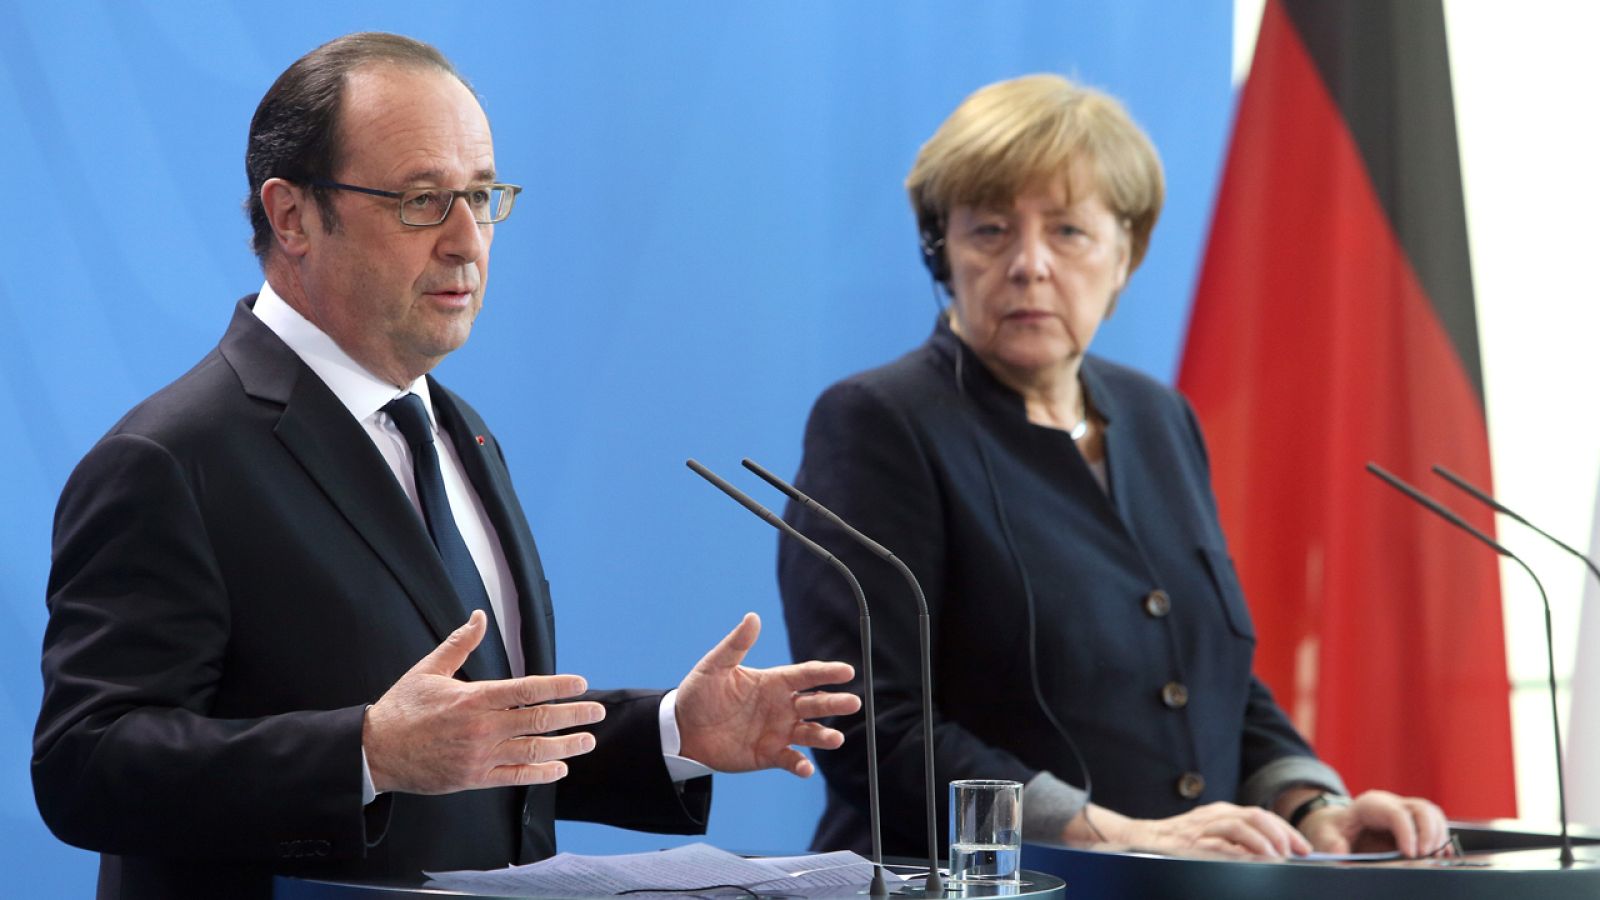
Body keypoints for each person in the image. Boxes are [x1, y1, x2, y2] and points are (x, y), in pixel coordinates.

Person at [32, 33, 859, 900]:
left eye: (480, 195)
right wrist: (366, 753)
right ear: (292, 216)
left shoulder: (458, 432)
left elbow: (474, 742)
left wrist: (670, 732)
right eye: (423, 200)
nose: (467, 241)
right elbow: (85, 765)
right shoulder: (169, 458)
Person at [779, 74, 1449, 862]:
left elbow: (1205, 682)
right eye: (991, 230)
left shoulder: (1159, 418)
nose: (1029, 264)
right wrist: (1110, 835)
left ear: (1124, 254)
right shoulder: (879, 423)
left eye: (1067, 231)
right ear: (941, 250)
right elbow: (869, 725)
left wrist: (1312, 804)